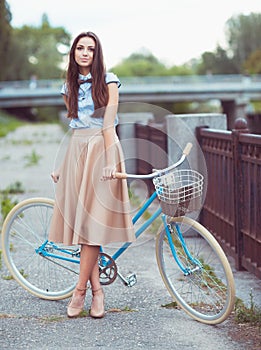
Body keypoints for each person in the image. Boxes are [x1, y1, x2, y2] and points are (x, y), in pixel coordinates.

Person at [49, 31, 135, 318]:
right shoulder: (67, 87)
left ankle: (80, 291)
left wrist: (111, 162)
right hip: (77, 153)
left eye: (91, 49)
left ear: (98, 55)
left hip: (102, 150)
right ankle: (98, 291)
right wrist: (62, 165)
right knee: (85, 227)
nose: (85, 53)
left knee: (93, 226)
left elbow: (108, 126)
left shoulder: (109, 81)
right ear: (73, 53)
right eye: (80, 48)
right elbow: (73, 129)